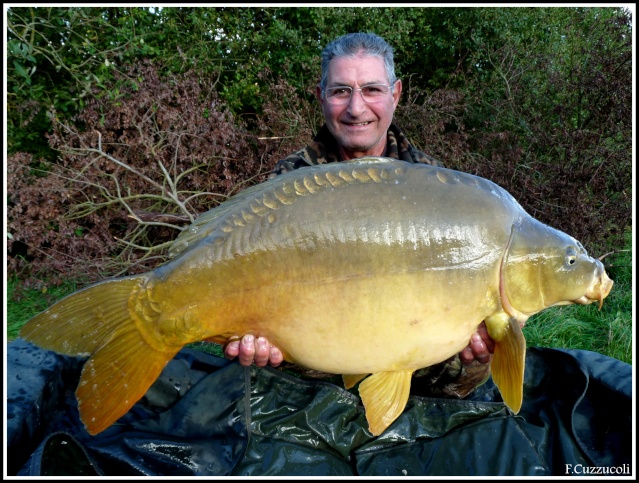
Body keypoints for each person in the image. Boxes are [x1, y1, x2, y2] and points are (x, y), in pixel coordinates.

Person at [224, 32, 494, 396]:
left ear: (395, 94)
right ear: (320, 97)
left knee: (474, 360)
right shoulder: (291, 181)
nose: (356, 108)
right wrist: (259, 344)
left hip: (413, 360)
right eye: (340, 91)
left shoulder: (435, 185)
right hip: (315, 364)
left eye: (371, 90)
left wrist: (474, 343)